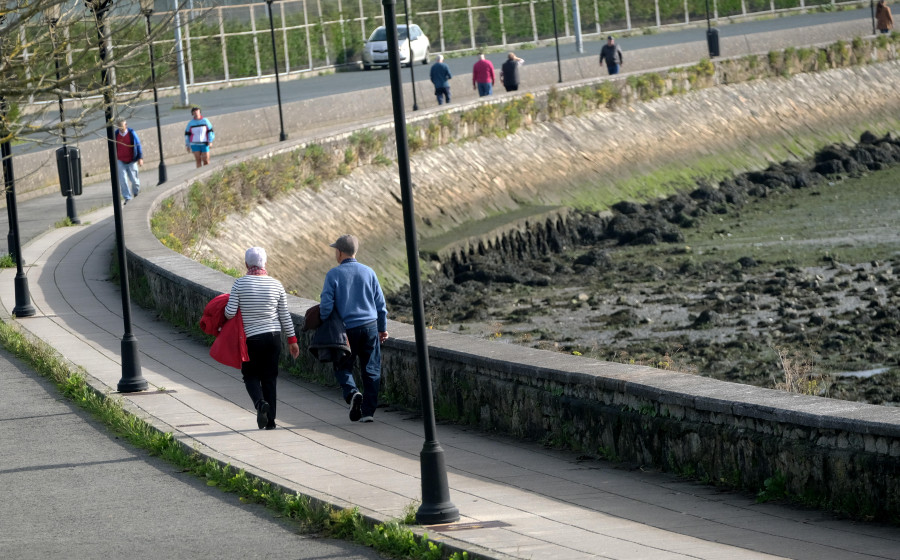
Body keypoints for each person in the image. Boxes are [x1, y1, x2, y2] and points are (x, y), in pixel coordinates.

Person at [224, 247, 300, 430]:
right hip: (273, 338)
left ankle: (259, 404)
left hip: (251, 339)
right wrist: (292, 340)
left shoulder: (240, 284)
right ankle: (271, 421)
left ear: (246, 264)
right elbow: (284, 315)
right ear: (265, 263)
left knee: (250, 375)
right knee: (270, 378)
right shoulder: (276, 285)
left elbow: (229, 313)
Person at [319, 235, 388, 423]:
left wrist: (327, 321)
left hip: (346, 330)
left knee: (342, 365)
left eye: (336, 250)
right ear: (355, 252)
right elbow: (381, 305)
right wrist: (382, 328)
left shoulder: (333, 274)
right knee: (371, 369)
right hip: (370, 327)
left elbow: (325, 306)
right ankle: (368, 413)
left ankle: (352, 393)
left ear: (339, 252)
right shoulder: (369, 272)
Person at [114, 118, 143, 205]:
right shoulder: (115, 135)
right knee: (123, 180)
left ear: (125, 125)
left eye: (122, 127)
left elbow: (138, 145)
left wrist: (140, 158)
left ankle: (136, 193)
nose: (121, 129)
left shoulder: (131, 133)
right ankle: (127, 198)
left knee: (135, 181)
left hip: (131, 160)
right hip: (121, 160)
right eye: (119, 127)